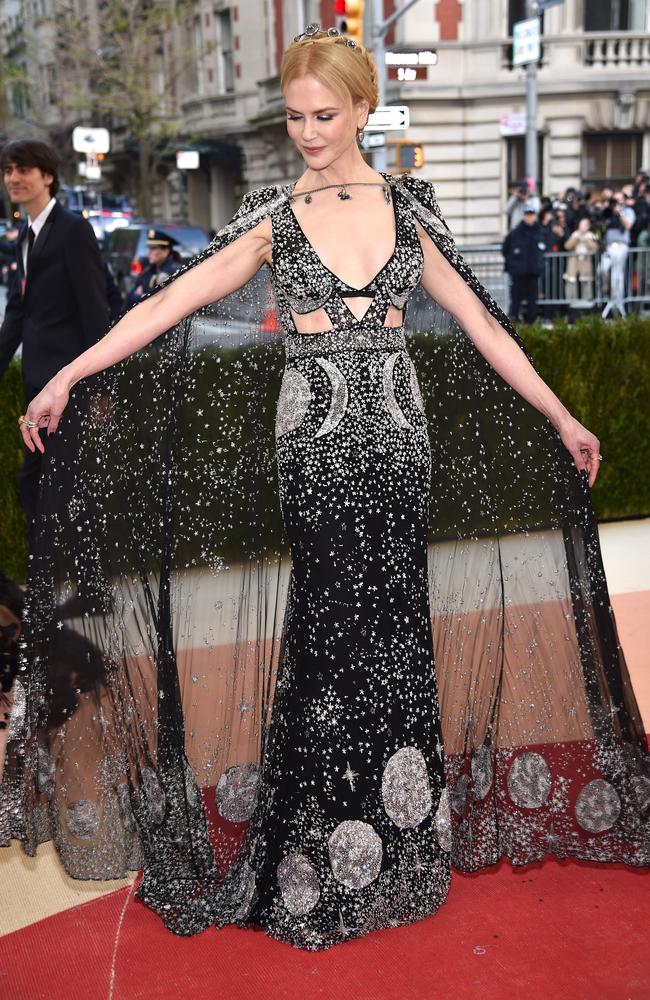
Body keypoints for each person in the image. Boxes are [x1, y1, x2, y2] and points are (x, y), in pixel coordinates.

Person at [4, 25, 649, 952]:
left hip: (398, 449)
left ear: (360, 109)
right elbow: (159, 308)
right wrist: (66, 377)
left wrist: (563, 417)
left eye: (326, 114)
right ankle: (320, 849)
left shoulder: (411, 210)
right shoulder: (270, 218)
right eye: (296, 116)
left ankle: (400, 842)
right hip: (316, 454)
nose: (309, 132)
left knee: (395, 636)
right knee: (334, 634)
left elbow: (488, 329)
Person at [0, 139, 110, 533]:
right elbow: (17, 310)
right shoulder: (25, 234)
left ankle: (84, 587)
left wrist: (100, 388)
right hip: (38, 381)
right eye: (8, 170)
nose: (13, 178)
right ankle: (77, 585)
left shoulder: (72, 229)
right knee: (47, 483)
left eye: (23, 170)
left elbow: (95, 309)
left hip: (70, 384)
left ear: (47, 176)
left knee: (58, 484)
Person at [502, 199, 546, 323]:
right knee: (516, 301)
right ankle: (513, 324)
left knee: (533, 301)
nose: (530, 217)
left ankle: (531, 325)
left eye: (532, 214)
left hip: (533, 272)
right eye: (527, 214)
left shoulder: (540, 232)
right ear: (523, 216)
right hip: (518, 273)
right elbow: (506, 249)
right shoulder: (515, 233)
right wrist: (513, 264)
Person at [127, 228, 181, 305]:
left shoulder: (171, 272)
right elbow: (131, 296)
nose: (149, 252)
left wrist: (140, 296)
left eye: (153, 248)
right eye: (149, 247)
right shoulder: (149, 269)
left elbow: (161, 302)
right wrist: (138, 296)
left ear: (166, 251)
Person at [563, 217, 599, 302]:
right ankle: (571, 301)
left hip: (586, 262)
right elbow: (567, 246)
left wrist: (587, 239)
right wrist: (576, 238)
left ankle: (586, 302)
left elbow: (595, 247)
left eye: (585, 224)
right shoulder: (574, 234)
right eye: (582, 224)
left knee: (586, 281)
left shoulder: (591, 235)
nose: (583, 226)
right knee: (571, 281)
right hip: (574, 261)